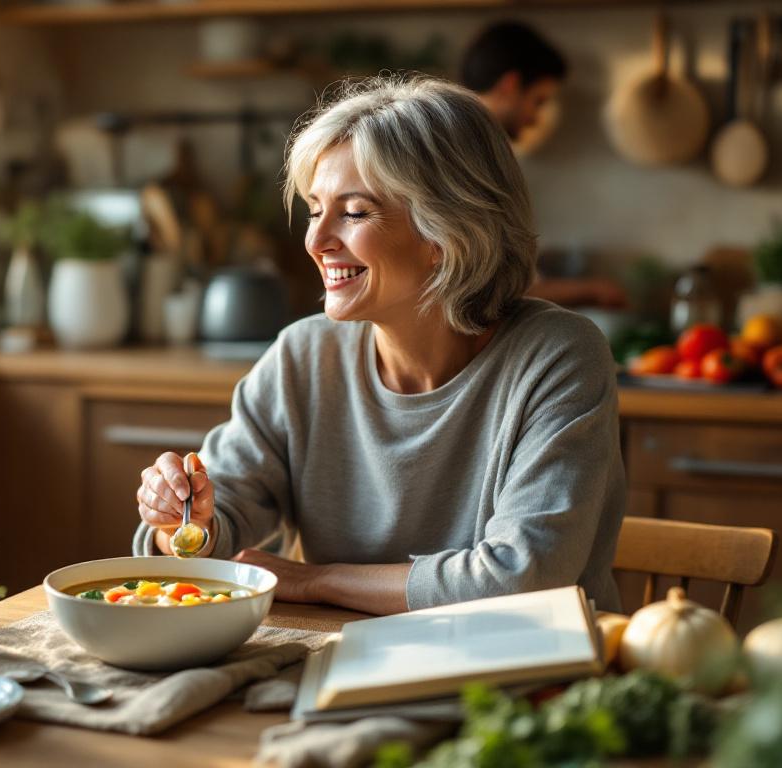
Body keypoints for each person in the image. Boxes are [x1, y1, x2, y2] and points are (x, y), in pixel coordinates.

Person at [132, 75, 625, 616]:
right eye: (316, 209)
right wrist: (186, 523)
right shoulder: (302, 357)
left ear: (446, 233)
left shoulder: (558, 357)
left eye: (354, 212)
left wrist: (320, 580)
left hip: (524, 679)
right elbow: (212, 537)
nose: (316, 242)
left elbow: (523, 578)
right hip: (342, 668)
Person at [460, 20, 626, 309]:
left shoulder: (467, 145)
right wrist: (588, 290)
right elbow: (485, 290)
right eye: (538, 101)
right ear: (511, 85)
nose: (536, 119)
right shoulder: (468, 157)